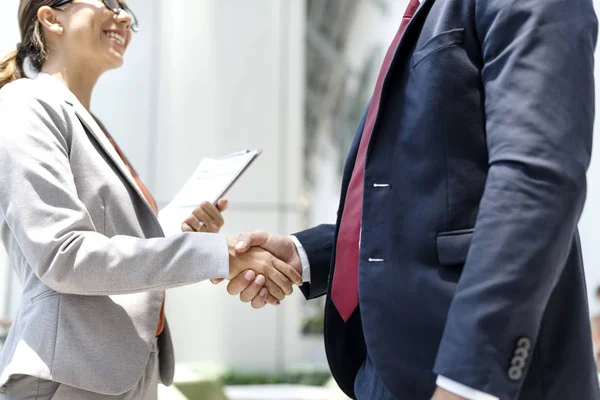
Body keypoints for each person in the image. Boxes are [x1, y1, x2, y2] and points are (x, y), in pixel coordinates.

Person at [223, 0, 600, 398]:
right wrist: (304, 255)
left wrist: (467, 381)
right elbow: (424, 205)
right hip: (386, 367)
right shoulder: (425, 14)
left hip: (473, 375)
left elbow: (534, 181)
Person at [0, 1, 302, 399]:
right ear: (51, 17)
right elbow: (64, 255)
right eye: (108, 3)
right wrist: (216, 253)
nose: (124, 16)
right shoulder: (26, 104)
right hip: (70, 374)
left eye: (127, 10)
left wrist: (180, 231)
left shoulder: (88, 125)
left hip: (122, 371)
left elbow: (111, 243)